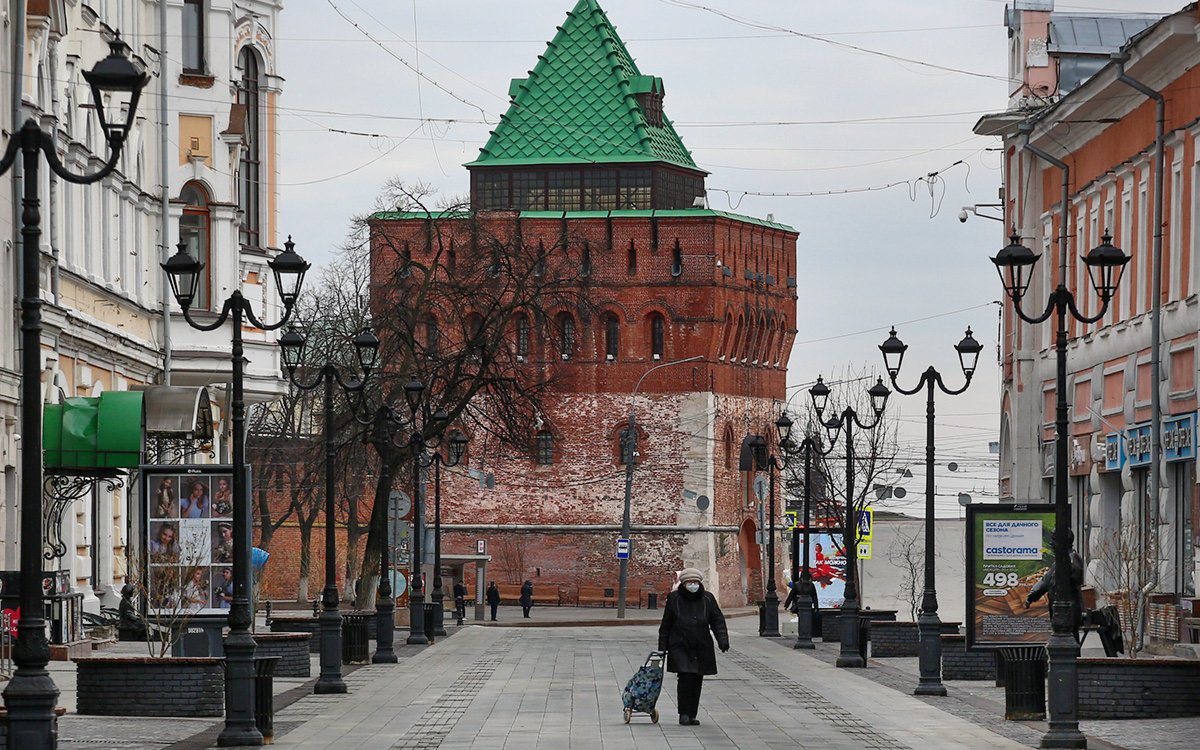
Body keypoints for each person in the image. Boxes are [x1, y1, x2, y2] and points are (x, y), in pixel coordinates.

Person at [658, 567, 729, 726]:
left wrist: (722, 640)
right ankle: (683, 713)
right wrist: (663, 646)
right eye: (689, 582)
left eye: (695, 582)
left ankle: (692, 714)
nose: (693, 585)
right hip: (680, 644)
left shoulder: (707, 598)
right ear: (683, 583)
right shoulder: (674, 598)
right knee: (685, 677)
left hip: (701, 645)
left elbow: (717, 620)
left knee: (697, 678)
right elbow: (666, 624)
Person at [1025, 527, 1085, 633]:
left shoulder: (1071, 559)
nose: (1051, 544)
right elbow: (1046, 580)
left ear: (1063, 542)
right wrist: (1032, 595)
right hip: (1060, 612)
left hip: (1068, 612)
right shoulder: (1060, 561)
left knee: (1068, 636)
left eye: (1054, 540)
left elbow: (1075, 579)